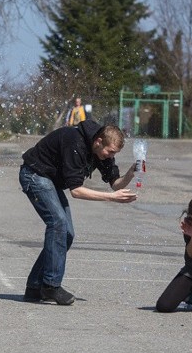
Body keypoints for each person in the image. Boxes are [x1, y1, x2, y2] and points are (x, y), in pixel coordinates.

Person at [19, 120, 137, 305]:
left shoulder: (102, 152)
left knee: (67, 234)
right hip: (34, 175)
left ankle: (35, 287)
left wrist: (131, 172)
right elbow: (76, 191)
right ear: (98, 141)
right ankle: (51, 285)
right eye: (111, 151)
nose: (111, 156)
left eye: (115, 153)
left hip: (50, 182)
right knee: (58, 223)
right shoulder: (75, 142)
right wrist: (112, 198)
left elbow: (115, 184)